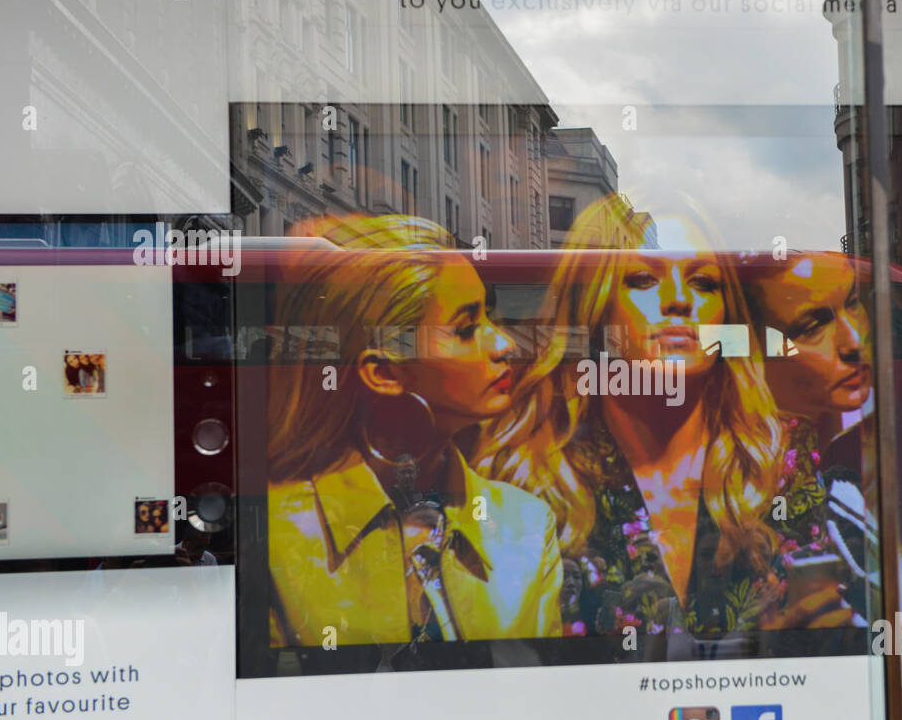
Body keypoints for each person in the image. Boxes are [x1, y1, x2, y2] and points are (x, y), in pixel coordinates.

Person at [478, 206, 842, 638]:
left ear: (726, 315)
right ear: (595, 308)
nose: (678, 300)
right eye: (644, 280)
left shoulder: (777, 454)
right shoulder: (526, 472)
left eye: (704, 283)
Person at [266, 215, 564, 649]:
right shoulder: (274, 534)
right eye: (467, 328)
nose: (505, 345)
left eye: (490, 317)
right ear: (384, 372)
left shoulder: (528, 526)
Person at [740, 249, 902, 624]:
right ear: (760, 351)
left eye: (853, 304)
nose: (854, 342)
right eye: (813, 326)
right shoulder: (740, 492)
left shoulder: (844, 493)